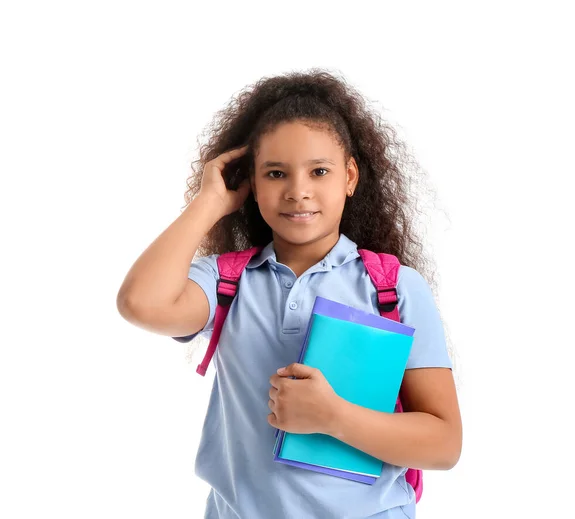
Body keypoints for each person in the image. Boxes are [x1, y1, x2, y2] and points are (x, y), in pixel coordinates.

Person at [116, 68, 462, 519]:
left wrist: (332, 416)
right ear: (251, 186)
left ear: (350, 177)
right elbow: (141, 303)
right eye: (275, 173)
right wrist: (210, 203)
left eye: (319, 171)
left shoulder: (393, 287)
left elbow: (444, 443)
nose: (299, 192)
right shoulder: (226, 282)